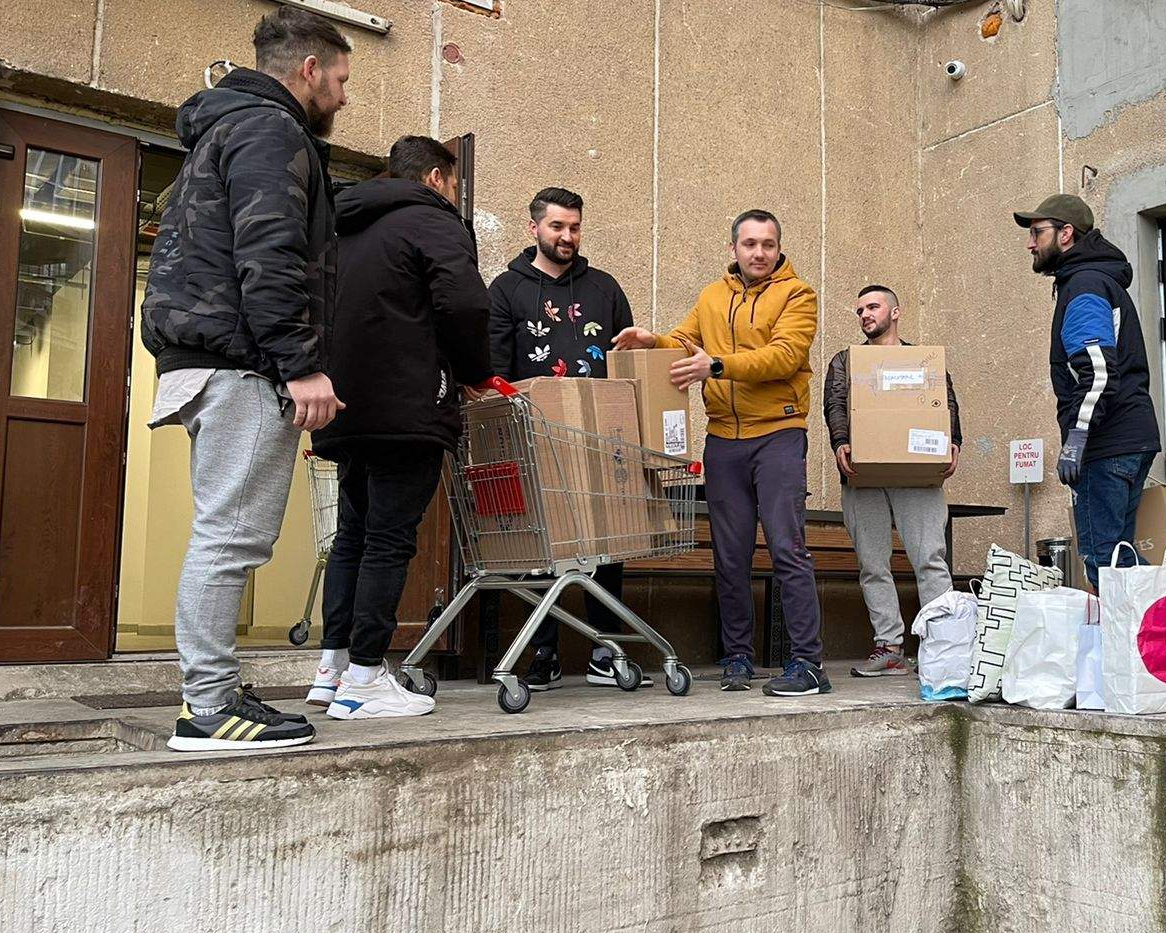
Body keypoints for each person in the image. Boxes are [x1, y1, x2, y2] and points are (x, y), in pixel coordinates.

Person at [141, 6, 351, 751]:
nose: (343, 96)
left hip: (215, 354)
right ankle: (207, 709)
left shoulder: (227, 129)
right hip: (242, 361)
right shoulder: (270, 130)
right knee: (231, 536)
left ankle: (215, 694)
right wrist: (302, 365)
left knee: (225, 532)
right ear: (309, 70)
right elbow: (269, 252)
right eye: (340, 80)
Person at [308, 136, 492, 719]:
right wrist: (473, 372)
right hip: (406, 403)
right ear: (436, 178)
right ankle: (364, 678)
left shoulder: (343, 224)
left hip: (343, 402)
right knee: (389, 539)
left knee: (352, 536)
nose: (454, 194)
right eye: (454, 184)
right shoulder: (433, 220)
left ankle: (332, 669)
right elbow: (464, 303)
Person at [614, 209, 828, 697]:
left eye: (768, 244)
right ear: (733, 248)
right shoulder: (713, 296)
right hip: (723, 441)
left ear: (779, 249)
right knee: (730, 557)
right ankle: (737, 657)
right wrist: (655, 341)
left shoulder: (797, 294)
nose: (759, 253)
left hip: (778, 434)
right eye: (750, 244)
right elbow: (685, 340)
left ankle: (808, 662)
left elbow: (785, 356)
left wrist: (715, 365)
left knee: (787, 549)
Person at [486, 187, 646, 690]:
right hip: (533, 438)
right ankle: (544, 652)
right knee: (540, 548)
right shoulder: (506, 290)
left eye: (574, 227)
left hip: (598, 440)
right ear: (534, 227)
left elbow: (625, 364)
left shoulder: (604, 288)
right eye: (557, 226)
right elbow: (495, 369)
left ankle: (606, 650)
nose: (567, 236)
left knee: (610, 543)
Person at [1016, 193, 1161, 588]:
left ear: (1065, 234)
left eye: (1037, 232)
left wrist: (1077, 437)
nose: (1030, 243)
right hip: (1129, 436)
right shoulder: (1093, 280)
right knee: (1118, 555)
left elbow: (1098, 372)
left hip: (1106, 443)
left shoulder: (1083, 286)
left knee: (1103, 558)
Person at [823, 285, 962, 676]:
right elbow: (835, 402)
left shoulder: (922, 361)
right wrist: (841, 441)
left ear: (895, 312)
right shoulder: (846, 361)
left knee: (930, 560)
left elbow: (945, 401)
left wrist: (953, 441)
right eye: (860, 310)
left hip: (918, 475)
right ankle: (889, 647)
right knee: (872, 565)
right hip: (862, 474)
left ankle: (941, 648)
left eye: (873, 306)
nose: (865, 314)